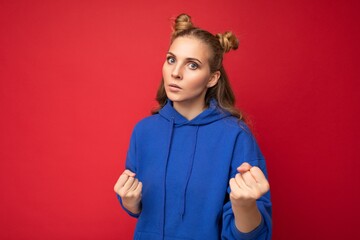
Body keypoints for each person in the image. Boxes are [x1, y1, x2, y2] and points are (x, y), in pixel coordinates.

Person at [114, 13, 272, 240]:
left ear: (212, 78)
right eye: (171, 59)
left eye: (192, 65)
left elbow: (254, 236)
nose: (175, 73)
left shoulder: (236, 136)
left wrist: (244, 205)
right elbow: (138, 207)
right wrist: (130, 202)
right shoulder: (143, 131)